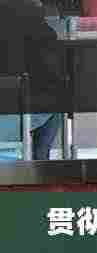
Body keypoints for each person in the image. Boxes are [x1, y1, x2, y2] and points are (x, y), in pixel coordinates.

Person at [0, 0, 61, 160]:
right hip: (20, 118)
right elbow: (51, 70)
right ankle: (40, 162)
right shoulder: (30, 13)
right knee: (56, 98)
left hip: (11, 118)